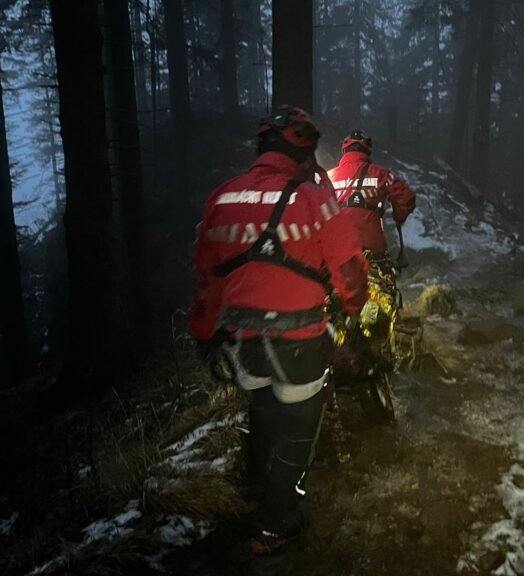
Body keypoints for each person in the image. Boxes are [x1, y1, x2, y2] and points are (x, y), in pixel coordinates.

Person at [189, 106, 368, 554]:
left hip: (245, 343)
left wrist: (205, 333)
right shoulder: (314, 199)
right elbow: (349, 271)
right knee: (299, 427)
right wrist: (353, 308)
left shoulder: (221, 198)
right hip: (300, 342)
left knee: (263, 408)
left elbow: (206, 280)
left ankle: (251, 486)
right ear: (302, 152)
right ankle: (276, 521)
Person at [326, 130, 417, 259]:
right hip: (371, 246)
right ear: (367, 151)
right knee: (380, 270)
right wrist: (398, 216)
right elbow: (406, 197)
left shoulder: (328, 177)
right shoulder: (381, 174)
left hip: (336, 248)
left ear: (344, 151)